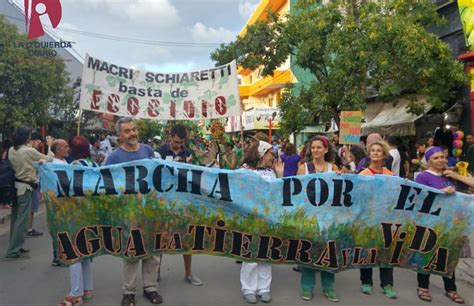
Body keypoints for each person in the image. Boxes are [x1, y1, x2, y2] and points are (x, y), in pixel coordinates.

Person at [105, 117, 163, 306]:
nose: (132, 133)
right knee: (131, 251)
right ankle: (128, 292)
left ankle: (150, 288)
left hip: (151, 209)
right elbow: (103, 182)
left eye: (134, 129)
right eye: (127, 131)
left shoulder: (148, 150)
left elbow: (158, 175)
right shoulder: (114, 157)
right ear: (119, 135)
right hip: (128, 212)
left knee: (152, 251)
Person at [415, 146, 465, 304]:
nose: (440, 160)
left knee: (449, 255)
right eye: (436, 158)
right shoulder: (422, 177)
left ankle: (451, 288)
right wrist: (442, 192)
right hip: (430, 222)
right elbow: (419, 199)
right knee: (427, 253)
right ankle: (423, 286)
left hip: (451, 222)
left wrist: (457, 176)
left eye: (442, 157)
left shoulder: (449, 175)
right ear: (428, 160)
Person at [156, 124, 204, 286]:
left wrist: (192, 163)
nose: (178, 145)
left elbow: (195, 177)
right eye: (176, 142)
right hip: (163, 202)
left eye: (181, 142)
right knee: (160, 237)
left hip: (184, 203)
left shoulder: (188, 153)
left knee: (187, 238)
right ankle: (155, 272)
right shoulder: (159, 152)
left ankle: (188, 274)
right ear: (170, 137)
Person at [296, 136, 339, 302]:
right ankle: (307, 287)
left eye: (319, 147)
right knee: (309, 251)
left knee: (329, 252)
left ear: (326, 149)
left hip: (329, 217)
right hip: (309, 217)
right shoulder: (303, 168)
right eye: (313, 147)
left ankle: (329, 287)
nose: (315, 150)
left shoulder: (333, 168)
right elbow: (296, 193)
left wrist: (343, 176)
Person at [57, 136, 95, 306]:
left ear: (74, 150)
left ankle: (75, 293)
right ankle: (87, 289)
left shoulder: (73, 167)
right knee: (85, 252)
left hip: (75, 213)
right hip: (92, 213)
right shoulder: (95, 165)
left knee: (73, 253)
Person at [5, 127, 53, 260]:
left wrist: (31, 147)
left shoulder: (12, 150)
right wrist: (49, 146)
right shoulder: (29, 151)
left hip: (15, 187)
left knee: (16, 219)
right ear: (26, 138)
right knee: (23, 221)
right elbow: (49, 159)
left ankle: (15, 246)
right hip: (25, 188)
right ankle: (13, 250)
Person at [358, 141, 398, 299]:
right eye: (372, 150)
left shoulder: (391, 176)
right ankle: (366, 281)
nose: (375, 153)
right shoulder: (362, 175)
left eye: (378, 151)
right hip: (367, 220)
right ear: (369, 154)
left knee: (387, 252)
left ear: (383, 155)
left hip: (386, 220)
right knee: (367, 250)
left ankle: (387, 284)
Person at [239, 140, 276, 304]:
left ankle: (264, 288)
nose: (273, 157)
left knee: (266, 253)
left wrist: (280, 175)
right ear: (261, 153)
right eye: (270, 153)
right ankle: (248, 288)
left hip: (268, 219)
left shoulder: (271, 171)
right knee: (250, 253)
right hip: (250, 218)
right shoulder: (243, 171)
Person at [50, 139, 70, 267]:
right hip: (58, 201)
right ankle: (57, 257)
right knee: (59, 228)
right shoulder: (54, 164)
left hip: (66, 201)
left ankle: (63, 254)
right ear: (57, 150)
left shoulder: (64, 161)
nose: (68, 148)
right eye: (65, 146)